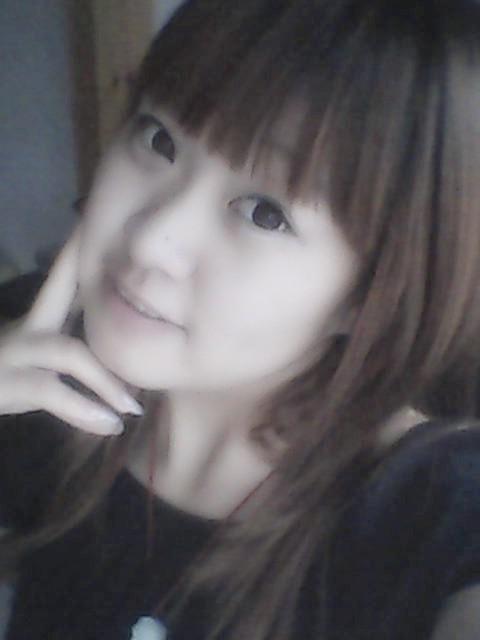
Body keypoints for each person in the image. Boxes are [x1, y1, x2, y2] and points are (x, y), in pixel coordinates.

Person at [0, 1, 480, 638]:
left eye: (264, 213)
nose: (150, 240)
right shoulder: (34, 358)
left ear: (372, 292)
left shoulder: (429, 509)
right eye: (158, 139)